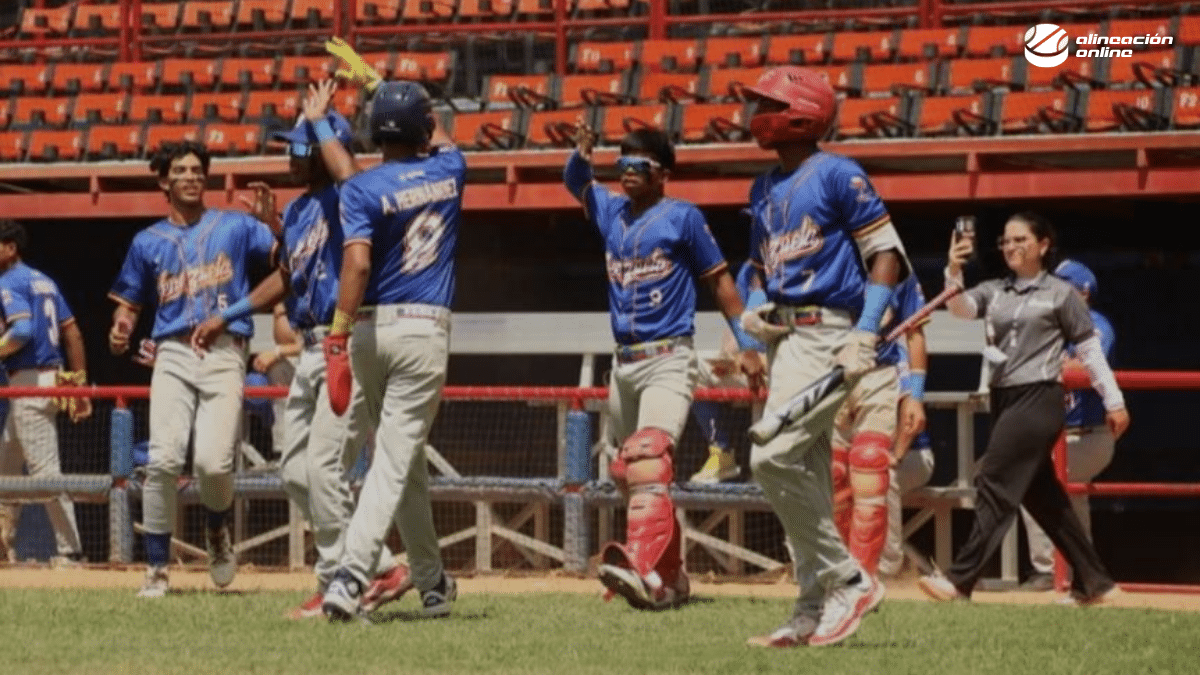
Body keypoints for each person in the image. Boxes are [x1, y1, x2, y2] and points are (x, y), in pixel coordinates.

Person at [192, 81, 413, 620]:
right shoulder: (297, 211)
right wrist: (230, 312)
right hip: (308, 350)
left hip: (344, 342)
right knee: (294, 470)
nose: (288, 156)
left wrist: (326, 127)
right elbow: (289, 276)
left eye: (299, 146)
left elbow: (354, 178)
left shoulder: (348, 194)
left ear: (321, 150)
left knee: (324, 468)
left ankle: (341, 578)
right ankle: (381, 564)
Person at [737, 66, 909, 648]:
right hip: (786, 339)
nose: (752, 112)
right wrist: (757, 309)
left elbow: (886, 254)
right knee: (804, 470)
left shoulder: (837, 172)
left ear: (799, 112)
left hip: (829, 333)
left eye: (764, 103)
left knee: (771, 457)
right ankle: (813, 607)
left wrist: (864, 332)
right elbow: (765, 267)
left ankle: (849, 580)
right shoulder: (762, 187)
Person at [563, 121, 766, 611]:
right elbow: (576, 182)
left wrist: (747, 344)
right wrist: (582, 155)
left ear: (663, 174)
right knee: (625, 474)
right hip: (625, 364)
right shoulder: (612, 212)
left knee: (649, 457)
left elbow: (720, 283)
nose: (627, 173)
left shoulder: (684, 218)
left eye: (639, 165)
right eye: (622, 164)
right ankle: (672, 578)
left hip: (669, 357)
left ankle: (642, 568)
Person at [918, 213, 1131, 606]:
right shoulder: (995, 290)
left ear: (1043, 245)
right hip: (1005, 396)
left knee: (995, 480)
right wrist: (953, 268)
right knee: (1043, 498)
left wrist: (1114, 400)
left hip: (1039, 396)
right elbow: (962, 309)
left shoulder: (1061, 294)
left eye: (1020, 240)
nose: (1011, 247)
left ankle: (960, 579)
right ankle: (1097, 582)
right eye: (1006, 241)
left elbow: (1089, 352)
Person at [318, 80, 462, 622]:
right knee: (393, 462)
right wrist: (388, 85)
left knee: (406, 466)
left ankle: (432, 584)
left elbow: (355, 264)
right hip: (422, 332)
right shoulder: (452, 169)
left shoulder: (360, 186)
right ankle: (352, 576)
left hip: (368, 334)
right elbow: (441, 135)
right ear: (423, 127)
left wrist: (337, 330)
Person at [108, 140, 277, 597]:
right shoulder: (147, 240)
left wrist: (273, 222)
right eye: (180, 170)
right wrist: (121, 326)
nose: (190, 176)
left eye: (197, 169)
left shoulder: (236, 225)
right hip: (173, 351)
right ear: (164, 180)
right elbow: (129, 302)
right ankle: (157, 569)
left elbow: (286, 262)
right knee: (162, 459)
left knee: (212, 463)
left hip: (225, 350)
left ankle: (217, 530)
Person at [1019, 259, 1116, 591]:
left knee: (1033, 478)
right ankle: (1084, 574)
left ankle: (1049, 570)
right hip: (1059, 437)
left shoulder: (1095, 323)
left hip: (1088, 435)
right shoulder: (1050, 328)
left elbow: (1087, 367)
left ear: (1083, 293)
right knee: (1070, 499)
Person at [0, 219, 91, 566]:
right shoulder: (44, 280)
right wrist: (79, 386)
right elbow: (73, 333)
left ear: (10, 248)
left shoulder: (9, 280)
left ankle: (71, 551)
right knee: (6, 465)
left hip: (29, 382)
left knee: (45, 472)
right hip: (48, 382)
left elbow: (21, 332)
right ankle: (2, 541)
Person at [830, 274, 928, 576]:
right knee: (832, 477)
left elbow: (915, 333)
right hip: (828, 374)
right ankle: (838, 569)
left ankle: (867, 574)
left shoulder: (899, 268)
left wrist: (916, 395)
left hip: (877, 372)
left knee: (871, 468)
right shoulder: (830, 253)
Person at [688, 260, 766, 484]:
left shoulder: (792, 268)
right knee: (694, 369)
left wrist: (757, 360)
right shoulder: (749, 270)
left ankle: (763, 471)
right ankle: (721, 453)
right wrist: (728, 358)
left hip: (783, 370)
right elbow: (735, 325)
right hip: (749, 368)